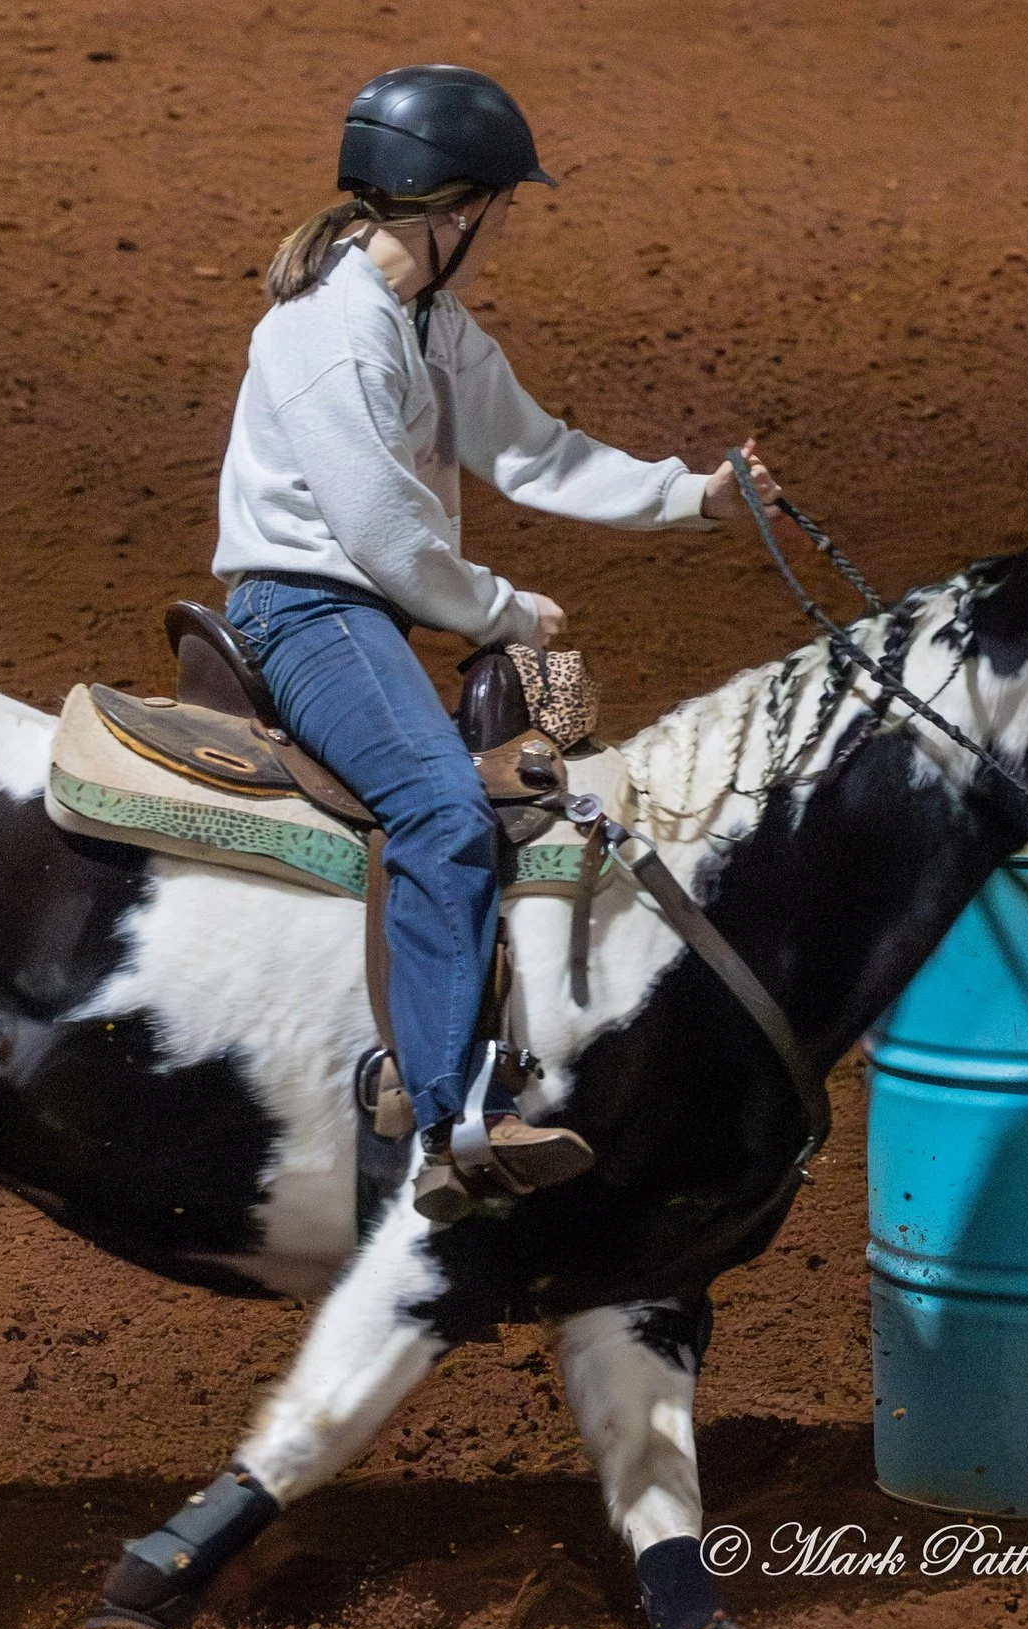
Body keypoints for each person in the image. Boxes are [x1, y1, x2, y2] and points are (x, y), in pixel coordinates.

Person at [212, 64, 781, 1221]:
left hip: (365, 610)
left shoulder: (429, 321)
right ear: (453, 206)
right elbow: (379, 531)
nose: (506, 225)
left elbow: (536, 452)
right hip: (307, 611)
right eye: (502, 205)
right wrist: (504, 609)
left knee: (531, 764)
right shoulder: (333, 333)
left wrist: (696, 498)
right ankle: (446, 1118)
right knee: (436, 804)